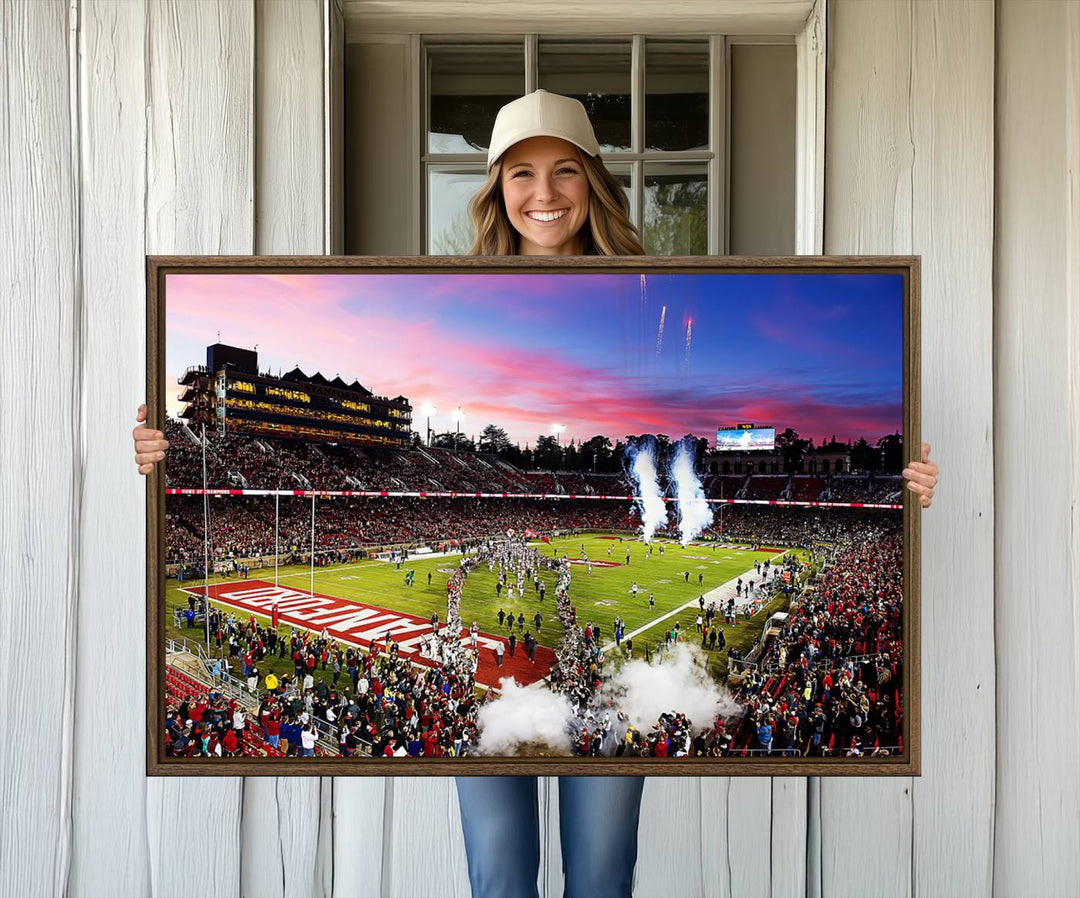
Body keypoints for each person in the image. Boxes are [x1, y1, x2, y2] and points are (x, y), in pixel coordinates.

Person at [132, 89, 940, 898]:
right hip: (502, 700)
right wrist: (167, 449)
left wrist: (904, 481)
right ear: (496, 188)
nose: (544, 193)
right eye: (521, 173)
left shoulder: (655, 291)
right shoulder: (452, 296)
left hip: (600, 704)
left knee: (600, 876)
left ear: (593, 181)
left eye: (564, 171)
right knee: (500, 876)